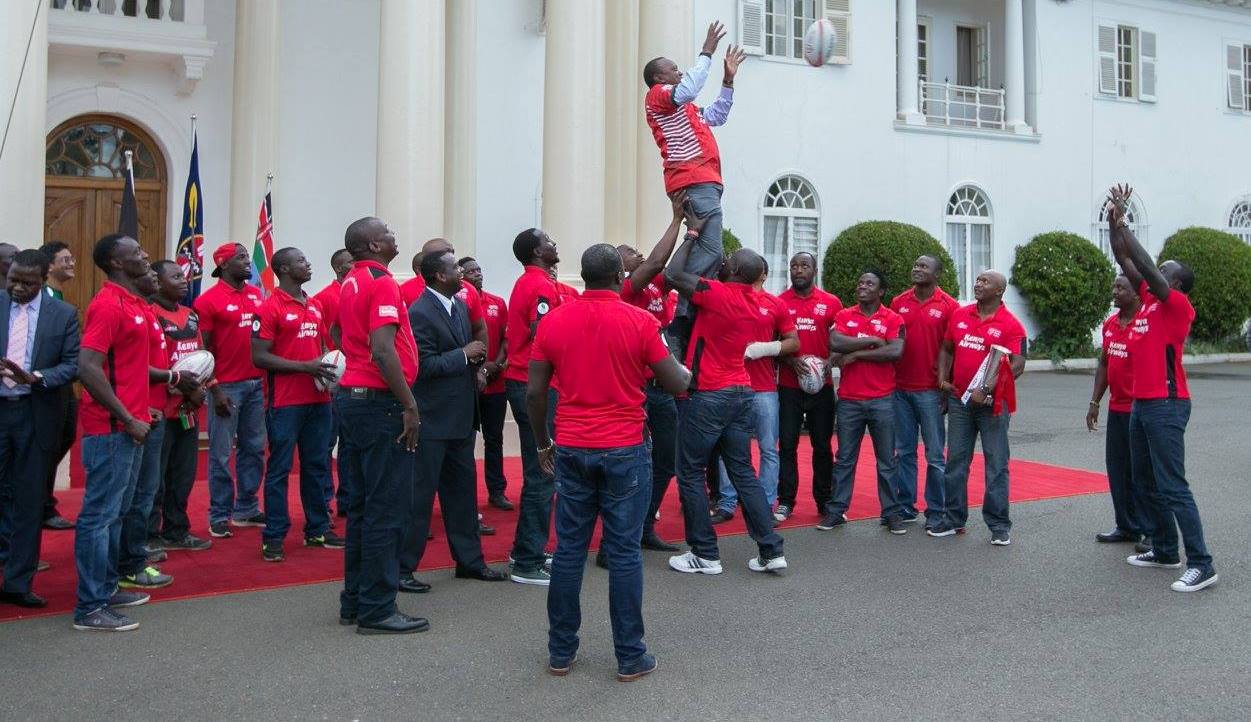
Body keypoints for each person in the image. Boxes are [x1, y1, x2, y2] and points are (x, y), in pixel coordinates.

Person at [528, 243, 691, 682]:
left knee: (568, 553)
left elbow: (534, 392)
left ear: (581, 276)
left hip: (573, 446)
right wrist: (683, 368)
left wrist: (544, 443)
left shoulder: (554, 321)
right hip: (623, 448)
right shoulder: (640, 320)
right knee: (622, 554)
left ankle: (560, 653)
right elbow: (675, 381)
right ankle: (629, 657)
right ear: (620, 276)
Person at [1107, 184, 1217, 592]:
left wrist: (1128, 225)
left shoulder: (1177, 306)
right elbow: (1125, 257)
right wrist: (1115, 223)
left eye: (1165, 271)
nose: (1157, 274)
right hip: (1142, 403)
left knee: (1173, 485)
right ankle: (1166, 549)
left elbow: (1145, 265)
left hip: (1168, 404)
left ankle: (1202, 563)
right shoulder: (1150, 301)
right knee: (1144, 481)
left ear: (1176, 283)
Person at [663, 230, 787, 576]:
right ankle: (770, 549)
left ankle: (705, 553)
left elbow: (671, 275)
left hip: (709, 395)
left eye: (727, 261)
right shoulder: (753, 301)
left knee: (689, 472)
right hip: (741, 392)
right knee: (743, 472)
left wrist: (689, 237)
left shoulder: (717, 293)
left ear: (730, 270)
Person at [335, 217, 427, 634]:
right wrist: (408, 404)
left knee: (361, 507)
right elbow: (382, 349)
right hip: (380, 404)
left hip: (354, 400)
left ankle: (355, 599)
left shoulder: (350, 280)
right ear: (374, 244)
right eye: (389, 231)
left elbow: (343, 334)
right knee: (386, 510)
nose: (396, 235)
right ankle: (377, 608)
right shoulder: (381, 281)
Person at [399, 251, 506, 590]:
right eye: (454, 267)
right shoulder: (419, 312)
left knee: (462, 495)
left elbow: (470, 351)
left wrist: (474, 364)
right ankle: (403, 569)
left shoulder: (458, 305)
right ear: (439, 276)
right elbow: (423, 367)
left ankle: (470, 562)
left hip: (460, 416)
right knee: (419, 498)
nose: (462, 271)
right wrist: (464, 354)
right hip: (431, 419)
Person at [642, 22, 745, 363]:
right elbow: (686, 89)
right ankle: (680, 304)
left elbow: (717, 115)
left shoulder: (684, 108)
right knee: (713, 252)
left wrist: (728, 80)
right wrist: (707, 52)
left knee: (710, 252)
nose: (679, 71)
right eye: (672, 68)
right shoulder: (658, 97)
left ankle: (684, 312)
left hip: (704, 180)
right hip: (693, 179)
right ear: (659, 78)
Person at [72, 233, 154, 631]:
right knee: (99, 517)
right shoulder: (107, 304)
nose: (145, 255)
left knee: (117, 513)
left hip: (131, 424)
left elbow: (130, 367)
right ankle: (89, 607)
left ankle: (105, 588)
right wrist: (126, 416)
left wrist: (140, 409)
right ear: (118, 263)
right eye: (136, 252)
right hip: (111, 429)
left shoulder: (133, 301)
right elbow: (88, 367)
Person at [252, 248, 344, 562]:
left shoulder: (315, 304)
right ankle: (274, 535)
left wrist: (328, 375)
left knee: (317, 466)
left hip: (318, 400)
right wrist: (306, 367)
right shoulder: (269, 307)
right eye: (302, 261)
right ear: (284, 268)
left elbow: (321, 348)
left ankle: (317, 528)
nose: (308, 264)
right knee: (278, 469)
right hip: (285, 403)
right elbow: (259, 357)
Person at [0, 250, 79, 608]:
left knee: (29, 501)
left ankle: (17, 583)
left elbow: (72, 365)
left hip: (35, 415)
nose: (16, 287)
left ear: (43, 279)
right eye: (12, 279)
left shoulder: (62, 315)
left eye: (26, 282)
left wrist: (36, 378)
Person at [929, 270, 1026, 544]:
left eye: (985, 282)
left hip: (993, 405)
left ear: (999, 291)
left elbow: (1017, 363)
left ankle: (998, 526)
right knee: (956, 462)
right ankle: (953, 518)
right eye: (978, 280)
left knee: (996, 464)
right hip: (960, 401)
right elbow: (947, 348)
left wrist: (986, 389)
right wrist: (942, 379)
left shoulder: (1010, 324)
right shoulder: (960, 315)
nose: (978, 284)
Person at [116, 268, 190, 593]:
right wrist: (172, 380)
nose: (154, 278)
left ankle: (134, 555)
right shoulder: (121, 309)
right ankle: (129, 561)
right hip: (141, 412)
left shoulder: (146, 311)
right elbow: (125, 365)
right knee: (136, 494)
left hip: (160, 410)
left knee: (147, 491)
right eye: (147, 270)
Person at [617, 196, 685, 549]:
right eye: (631, 252)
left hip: (661, 388)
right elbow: (659, 259)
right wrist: (676, 219)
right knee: (636, 461)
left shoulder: (658, 285)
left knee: (667, 458)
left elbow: (671, 268)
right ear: (620, 267)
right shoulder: (629, 289)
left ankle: (644, 526)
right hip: (638, 389)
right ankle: (625, 534)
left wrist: (690, 237)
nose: (640, 254)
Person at [710, 258, 799, 524]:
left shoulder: (775, 303)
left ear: (761, 273)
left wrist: (762, 348)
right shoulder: (724, 298)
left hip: (762, 387)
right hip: (730, 385)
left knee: (768, 449)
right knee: (730, 447)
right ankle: (727, 501)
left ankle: (765, 502)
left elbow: (794, 343)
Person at [819, 271, 907, 533]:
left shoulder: (893, 318)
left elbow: (895, 350)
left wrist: (854, 355)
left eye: (870, 284)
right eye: (860, 282)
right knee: (845, 458)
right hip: (849, 400)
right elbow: (834, 341)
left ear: (881, 292)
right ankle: (836, 511)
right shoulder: (845, 315)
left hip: (883, 399)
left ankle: (891, 514)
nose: (862, 286)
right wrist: (870, 342)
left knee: (887, 461)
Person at [194, 242, 266, 538]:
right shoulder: (208, 301)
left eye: (247, 256)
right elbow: (204, 349)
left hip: (257, 385)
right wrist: (213, 388)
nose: (248, 262)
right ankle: (219, 513)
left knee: (255, 449)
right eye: (241, 258)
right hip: (227, 387)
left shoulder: (257, 294)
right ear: (223, 264)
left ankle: (246, 508)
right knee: (221, 454)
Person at [505, 228, 564, 586]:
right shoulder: (539, 285)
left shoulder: (535, 281)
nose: (554, 243)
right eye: (549, 241)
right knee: (544, 470)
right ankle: (527, 561)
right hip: (535, 384)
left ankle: (527, 549)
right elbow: (544, 333)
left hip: (528, 382)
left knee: (539, 470)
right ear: (537, 251)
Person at [146, 261, 212, 551]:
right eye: (175, 276)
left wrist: (200, 390)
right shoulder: (150, 315)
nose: (184, 279)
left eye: (183, 274)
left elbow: (201, 358)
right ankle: (148, 535)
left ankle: (177, 530)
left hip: (188, 408)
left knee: (182, 476)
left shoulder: (190, 315)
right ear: (157, 283)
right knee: (154, 479)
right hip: (159, 409)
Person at [890, 255, 959, 529]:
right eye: (915, 265)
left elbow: (952, 350)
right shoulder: (898, 302)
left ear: (937, 274)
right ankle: (906, 505)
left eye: (923, 266)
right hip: (900, 390)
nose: (917, 269)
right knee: (904, 451)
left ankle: (936, 510)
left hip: (931, 392)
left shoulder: (949, 306)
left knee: (934, 455)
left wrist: (946, 387)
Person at [773, 252, 841, 523]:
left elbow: (839, 344)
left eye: (804, 266)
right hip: (789, 387)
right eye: (793, 266)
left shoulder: (831, 303)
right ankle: (786, 501)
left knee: (822, 446)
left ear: (814, 270)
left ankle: (825, 501)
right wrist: (790, 360)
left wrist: (829, 361)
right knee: (787, 445)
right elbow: (772, 343)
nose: (798, 270)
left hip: (821, 388)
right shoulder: (779, 303)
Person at [1087, 275, 1149, 546]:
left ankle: (1151, 530)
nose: (1114, 291)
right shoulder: (1111, 324)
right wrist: (1095, 401)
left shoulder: (1147, 324)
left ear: (1137, 294)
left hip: (1143, 409)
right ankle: (1126, 525)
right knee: (1118, 469)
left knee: (1143, 472)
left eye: (1121, 288)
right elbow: (1104, 364)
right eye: (1114, 286)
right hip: (1118, 408)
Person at [458, 256, 513, 511]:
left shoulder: (497, 303)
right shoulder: (460, 302)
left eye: (479, 269)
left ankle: (497, 490)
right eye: (471, 271)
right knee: (465, 439)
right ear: (461, 276)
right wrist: (477, 368)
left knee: (495, 438)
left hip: (495, 382)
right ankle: (465, 495)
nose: (477, 274)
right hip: (468, 381)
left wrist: (496, 365)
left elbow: (506, 338)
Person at [36, 241, 78, 531]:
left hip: (63, 382)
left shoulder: (59, 297)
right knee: (47, 446)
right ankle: (42, 507)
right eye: (65, 259)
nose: (72, 262)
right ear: (48, 265)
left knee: (63, 438)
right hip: (46, 386)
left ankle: (45, 503)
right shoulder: (42, 296)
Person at [313, 247, 354, 517]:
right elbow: (322, 336)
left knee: (351, 444)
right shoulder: (323, 298)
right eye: (352, 262)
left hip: (358, 380)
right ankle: (325, 498)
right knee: (328, 443)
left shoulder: (358, 289)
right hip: (333, 380)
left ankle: (347, 499)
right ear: (340, 268)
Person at [399, 239, 488, 348]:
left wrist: (480, 360)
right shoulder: (405, 291)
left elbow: (479, 328)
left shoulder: (468, 290)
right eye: (446, 252)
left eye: (452, 252)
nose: (450, 255)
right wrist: (463, 355)